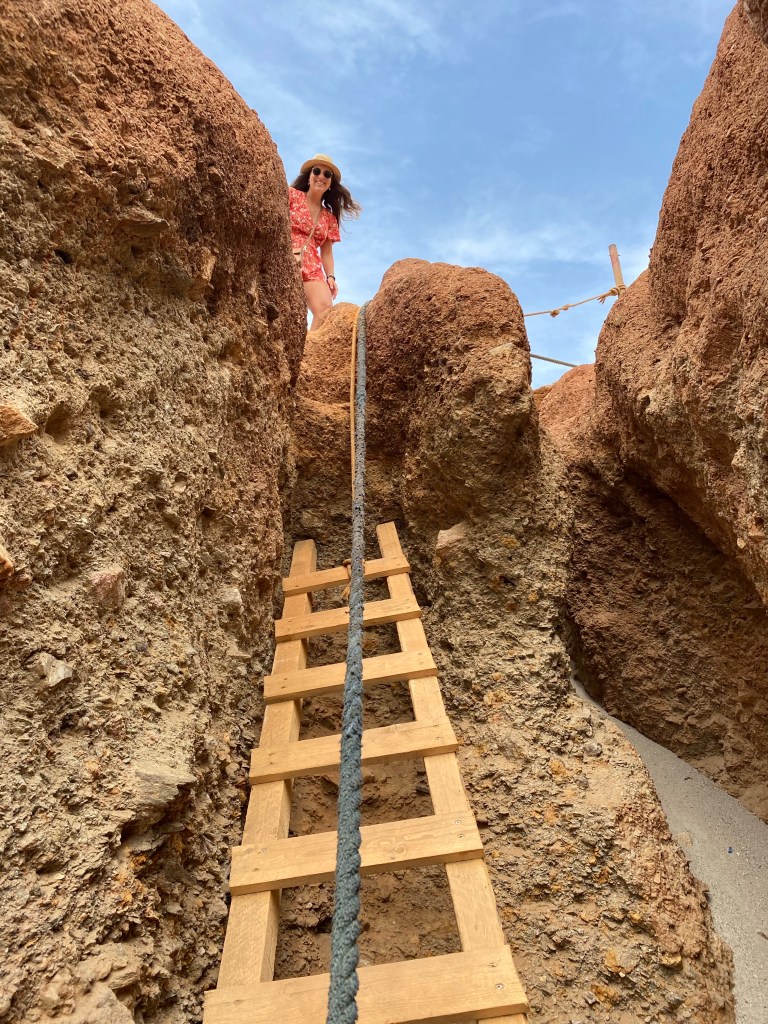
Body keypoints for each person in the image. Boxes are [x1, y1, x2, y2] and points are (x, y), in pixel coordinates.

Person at [288, 154, 361, 332]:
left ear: (330, 183)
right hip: (284, 254)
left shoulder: (329, 218)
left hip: (311, 266)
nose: (321, 176)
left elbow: (327, 252)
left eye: (327, 174)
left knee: (325, 310)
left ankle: (307, 353)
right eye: (317, 171)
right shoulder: (291, 196)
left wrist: (330, 277)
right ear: (309, 176)